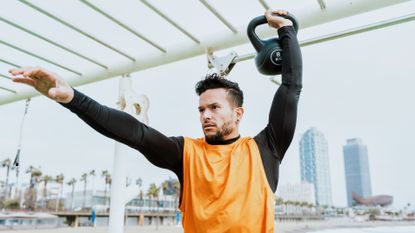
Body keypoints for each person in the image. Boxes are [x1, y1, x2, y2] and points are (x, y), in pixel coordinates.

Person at [9, 9, 302, 233]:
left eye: (214, 107)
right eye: (201, 110)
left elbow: (290, 88)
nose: (206, 115)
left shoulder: (266, 149)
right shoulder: (187, 153)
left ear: (238, 113)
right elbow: (136, 133)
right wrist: (72, 97)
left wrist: (287, 31)